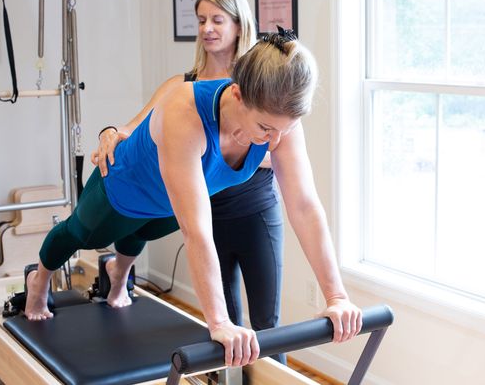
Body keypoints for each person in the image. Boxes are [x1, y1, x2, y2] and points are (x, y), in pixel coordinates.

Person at [25, 29, 363, 368]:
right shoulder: (184, 109)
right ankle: (38, 280)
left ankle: (118, 274)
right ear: (238, 94)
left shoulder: (279, 121)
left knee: (140, 234)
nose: (275, 141)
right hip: (120, 187)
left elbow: (305, 206)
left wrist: (337, 297)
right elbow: (198, 231)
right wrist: (219, 322)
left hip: (169, 202)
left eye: (284, 130)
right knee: (80, 235)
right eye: (265, 129)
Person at [92, 0, 288, 364]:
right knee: (226, 326)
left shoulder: (262, 83)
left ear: (238, 24)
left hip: (255, 210)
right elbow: (134, 128)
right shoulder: (182, 87)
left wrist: (204, 149)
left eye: (217, 20)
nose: (207, 29)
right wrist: (108, 132)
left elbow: (276, 151)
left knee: (268, 322)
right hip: (209, 213)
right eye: (201, 21)